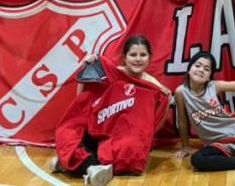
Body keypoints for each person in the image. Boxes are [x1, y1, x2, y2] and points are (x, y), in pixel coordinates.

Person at [52, 36, 171, 185]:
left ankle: (73, 164)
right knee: (67, 133)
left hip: (121, 137)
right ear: (124, 57)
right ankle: (89, 168)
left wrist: (166, 101)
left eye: (143, 55)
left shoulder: (154, 87)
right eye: (133, 55)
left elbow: (153, 125)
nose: (138, 59)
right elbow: (82, 99)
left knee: (127, 150)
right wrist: (87, 69)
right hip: (98, 130)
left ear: (150, 57)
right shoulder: (109, 73)